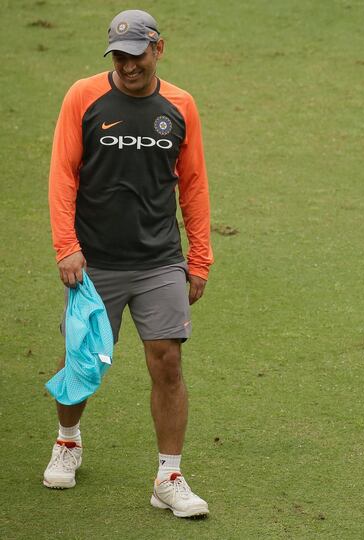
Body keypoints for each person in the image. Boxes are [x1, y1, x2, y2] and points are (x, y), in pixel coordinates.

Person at [44, 9, 213, 518]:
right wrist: (65, 246)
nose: (128, 65)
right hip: (95, 261)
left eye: (136, 55)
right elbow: (62, 174)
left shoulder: (180, 105)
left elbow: (193, 183)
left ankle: (169, 476)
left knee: (168, 359)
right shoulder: (84, 96)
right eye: (119, 56)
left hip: (160, 259)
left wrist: (199, 257)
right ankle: (68, 441)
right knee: (83, 358)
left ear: (158, 48)